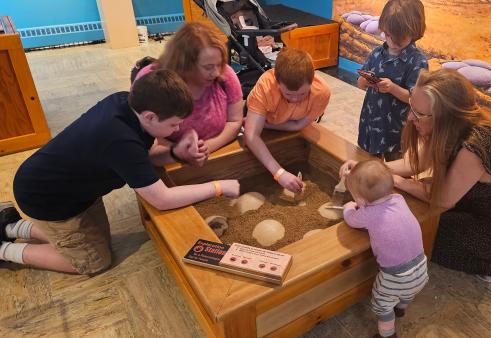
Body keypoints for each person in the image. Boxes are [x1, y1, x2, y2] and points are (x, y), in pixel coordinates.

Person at [0, 70, 240, 275]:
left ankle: (12, 227)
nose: (178, 129)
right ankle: (5, 251)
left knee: (98, 241)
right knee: (94, 261)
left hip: (73, 189)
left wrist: (177, 154)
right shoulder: (119, 141)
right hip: (47, 200)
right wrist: (218, 187)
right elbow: (162, 199)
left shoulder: (126, 102)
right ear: (150, 116)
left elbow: (142, 156)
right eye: (174, 124)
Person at [341, 68, 491, 282]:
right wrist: (368, 169)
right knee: (419, 223)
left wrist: (395, 181)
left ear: (446, 117)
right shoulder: (449, 127)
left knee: (425, 239)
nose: (411, 117)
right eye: (412, 107)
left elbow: (443, 198)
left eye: (419, 114)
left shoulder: (476, 146)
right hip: (481, 206)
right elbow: (415, 163)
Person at [342, 160, 428, 338]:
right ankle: (401, 309)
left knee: (381, 305)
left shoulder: (368, 213)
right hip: (421, 267)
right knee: (406, 293)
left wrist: (349, 207)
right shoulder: (399, 199)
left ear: (361, 200)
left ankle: (388, 335)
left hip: (395, 276)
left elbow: (351, 219)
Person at [135, 22, 244, 160]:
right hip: (166, 159)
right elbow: (143, 134)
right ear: (185, 64)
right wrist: (179, 152)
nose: (216, 72)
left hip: (217, 155)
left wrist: (208, 147)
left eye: (219, 64)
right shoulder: (150, 80)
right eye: (208, 67)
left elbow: (235, 121)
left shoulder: (226, 75)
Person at [244, 48, 331, 193]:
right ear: (277, 82)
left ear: (312, 80)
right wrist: (279, 173)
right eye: (288, 94)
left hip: (272, 122)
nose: (295, 99)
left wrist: (266, 125)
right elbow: (251, 136)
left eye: (303, 93)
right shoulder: (265, 87)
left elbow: (299, 125)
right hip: (264, 116)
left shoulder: (321, 92)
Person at [357, 0, 428, 161]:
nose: (392, 42)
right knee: (367, 168)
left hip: (396, 130)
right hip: (371, 123)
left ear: (415, 31)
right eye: (388, 35)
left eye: (400, 38)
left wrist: (392, 88)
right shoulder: (376, 53)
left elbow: (416, 100)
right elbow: (360, 84)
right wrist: (366, 80)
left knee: (396, 171)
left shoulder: (417, 61)